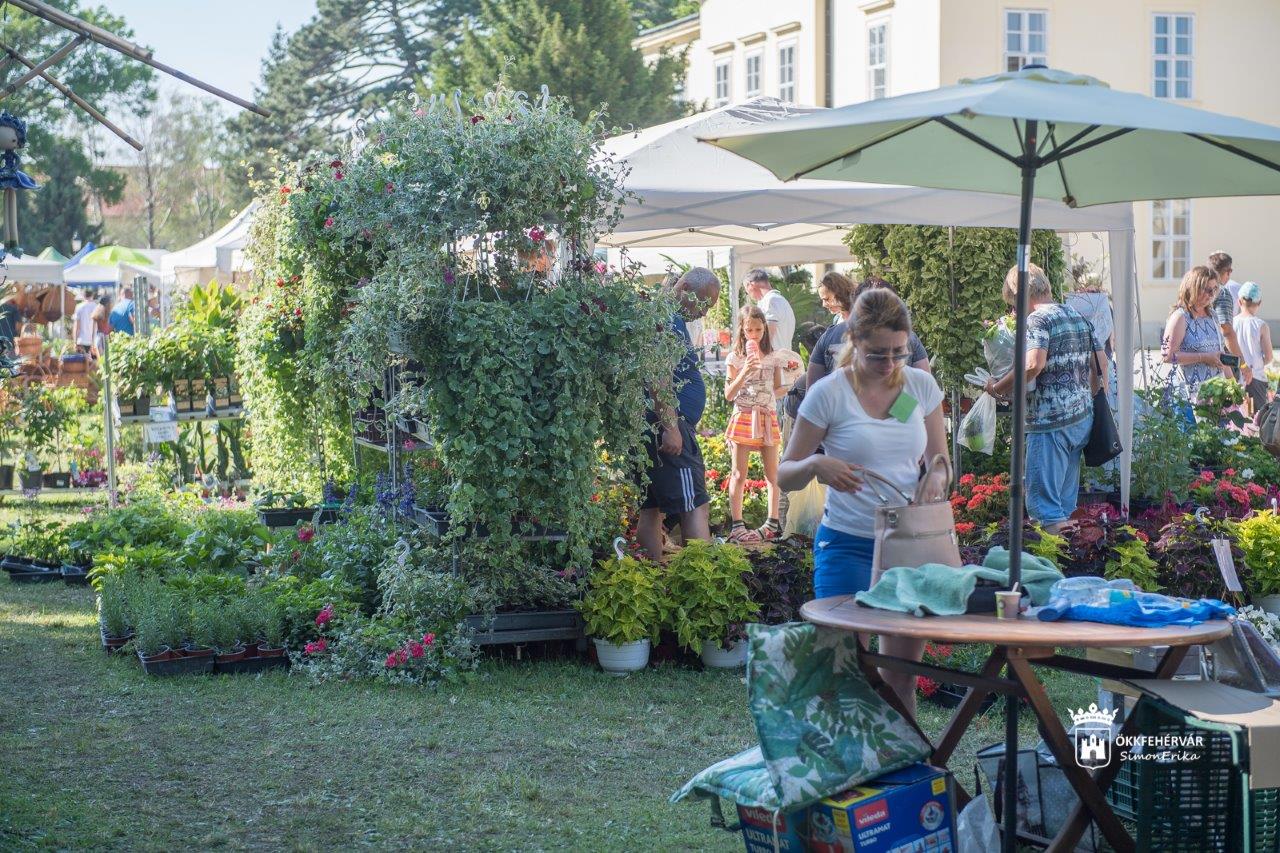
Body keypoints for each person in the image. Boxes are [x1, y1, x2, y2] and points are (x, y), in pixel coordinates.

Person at [780, 288, 949, 715]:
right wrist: (818, 466)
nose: (890, 364)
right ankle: (849, 773)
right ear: (853, 340)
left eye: (899, 352)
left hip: (907, 548)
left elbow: (939, 459)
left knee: (901, 674)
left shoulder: (916, 387)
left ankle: (904, 770)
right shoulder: (829, 394)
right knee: (843, 671)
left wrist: (935, 480)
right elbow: (785, 473)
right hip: (848, 544)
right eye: (877, 354)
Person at [985, 263, 1104, 535]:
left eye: (1014, 305)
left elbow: (1032, 365)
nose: (1016, 312)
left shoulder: (1038, 319)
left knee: (1045, 507)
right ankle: (1071, 564)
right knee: (1063, 505)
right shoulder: (1075, 315)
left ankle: (1052, 568)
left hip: (1049, 421)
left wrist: (998, 388)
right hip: (1081, 419)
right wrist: (1089, 399)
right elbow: (1101, 364)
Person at [636, 267, 721, 560]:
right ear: (684, 287)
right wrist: (670, 426)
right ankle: (701, 584)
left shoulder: (662, 315)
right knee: (694, 504)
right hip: (670, 425)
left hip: (653, 424)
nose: (702, 313)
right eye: (703, 303)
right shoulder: (667, 320)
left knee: (651, 507)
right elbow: (658, 373)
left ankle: (652, 581)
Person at [806, 275, 930, 395]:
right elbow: (923, 391)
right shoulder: (910, 338)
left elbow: (812, 395)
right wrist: (897, 414)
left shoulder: (829, 337)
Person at [724, 306, 785, 543]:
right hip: (744, 416)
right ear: (741, 329)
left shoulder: (774, 356)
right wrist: (745, 371)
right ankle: (737, 525)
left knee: (773, 474)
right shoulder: (734, 357)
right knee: (739, 473)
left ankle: (772, 522)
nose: (754, 334)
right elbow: (729, 394)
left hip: (767, 416)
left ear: (765, 329)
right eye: (749, 329)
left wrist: (792, 381)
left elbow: (778, 389)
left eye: (758, 329)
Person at [1162, 265, 1231, 422]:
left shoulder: (1212, 314)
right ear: (1193, 288)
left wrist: (1232, 385)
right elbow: (1167, 356)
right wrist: (1203, 357)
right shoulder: (1181, 317)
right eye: (1207, 289)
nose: (1212, 294)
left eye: (1215, 289)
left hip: (1215, 398)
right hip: (1188, 399)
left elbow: (1220, 354)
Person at [1208, 251, 1248, 384]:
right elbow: (1226, 331)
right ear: (1227, 271)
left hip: (1195, 358)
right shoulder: (1222, 292)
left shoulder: (1196, 288)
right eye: (1229, 270)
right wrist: (1242, 364)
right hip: (1220, 360)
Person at [1234, 281, 1273, 413]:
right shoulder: (1261, 325)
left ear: (1239, 302)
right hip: (1256, 377)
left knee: (1236, 420)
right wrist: (1256, 362)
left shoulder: (1231, 324)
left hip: (1235, 377)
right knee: (1258, 419)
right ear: (1259, 303)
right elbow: (1269, 357)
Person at [744, 268, 795, 352]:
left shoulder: (770, 301)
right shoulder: (780, 300)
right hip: (783, 357)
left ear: (750, 285)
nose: (748, 295)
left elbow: (768, 334)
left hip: (773, 359)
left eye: (746, 292)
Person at [72, 287, 97, 354]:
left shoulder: (79, 307)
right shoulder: (96, 307)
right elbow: (95, 326)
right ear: (92, 295)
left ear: (83, 295)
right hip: (93, 341)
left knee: (81, 363)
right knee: (94, 363)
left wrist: (75, 342)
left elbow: (76, 327)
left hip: (81, 340)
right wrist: (93, 342)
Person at [90, 294, 112, 359]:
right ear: (108, 304)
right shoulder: (107, 313)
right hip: (104, 338)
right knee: (105, 360)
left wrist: (92, 343)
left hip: (98, 338)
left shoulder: (96, 313)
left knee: (100, 361)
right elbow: (107, 328)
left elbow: (93, 330)